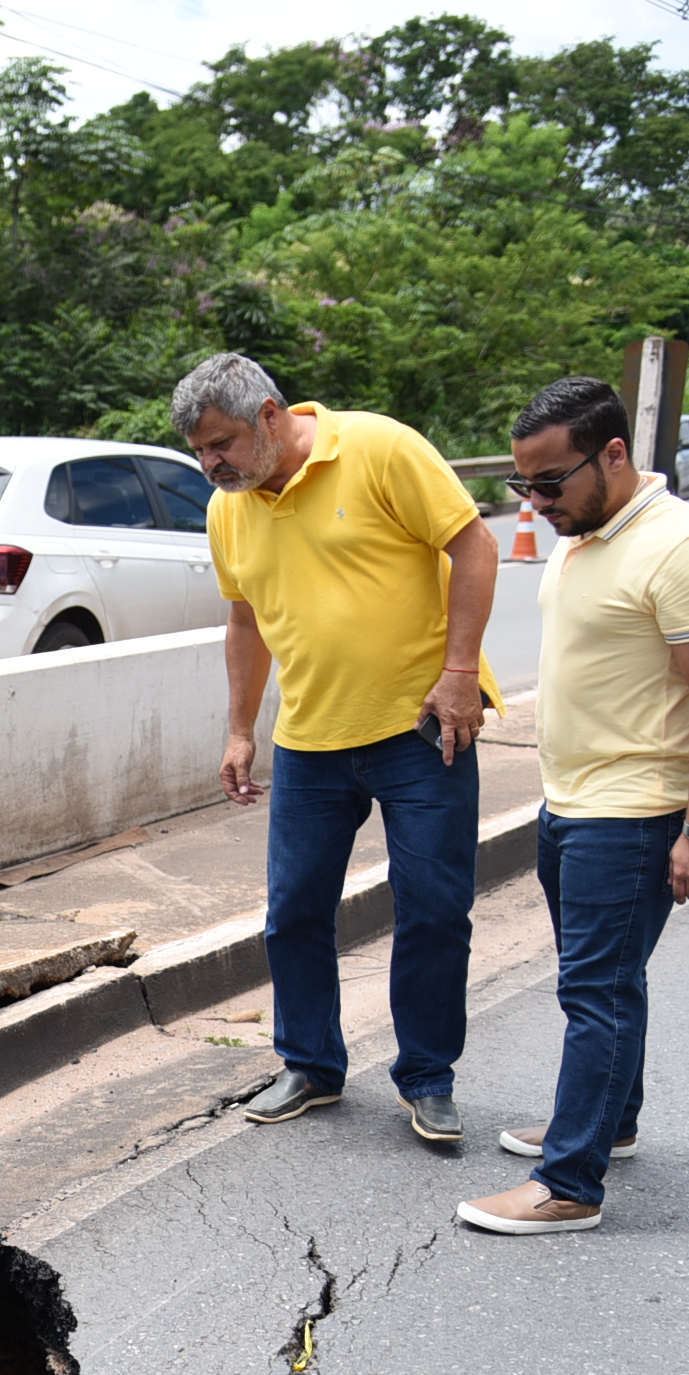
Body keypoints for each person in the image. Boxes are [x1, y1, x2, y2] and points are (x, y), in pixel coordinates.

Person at [172, 352, 504, 1145]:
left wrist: (461, 674)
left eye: (220, 444)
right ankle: (311, 1065)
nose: (210, 464)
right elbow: (246, 618)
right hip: (311, 740)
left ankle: (427, 1077)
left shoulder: (380, 448)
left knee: (433, 910)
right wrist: (240, 729)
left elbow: (475, 547)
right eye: (199, 451)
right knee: (294, 911)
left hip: (420, 728)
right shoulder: (229, 508)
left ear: (270, 416)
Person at [458, 376, 689, 1236]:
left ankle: (569, 1182)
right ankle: (610, 1123)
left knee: (598, 993)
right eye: (523, 483)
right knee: (606, 983)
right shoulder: (583, 534)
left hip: (632, 812)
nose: (535, 501)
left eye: (551, 482)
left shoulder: (683, 548)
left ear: (614, 454)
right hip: (572, 804)